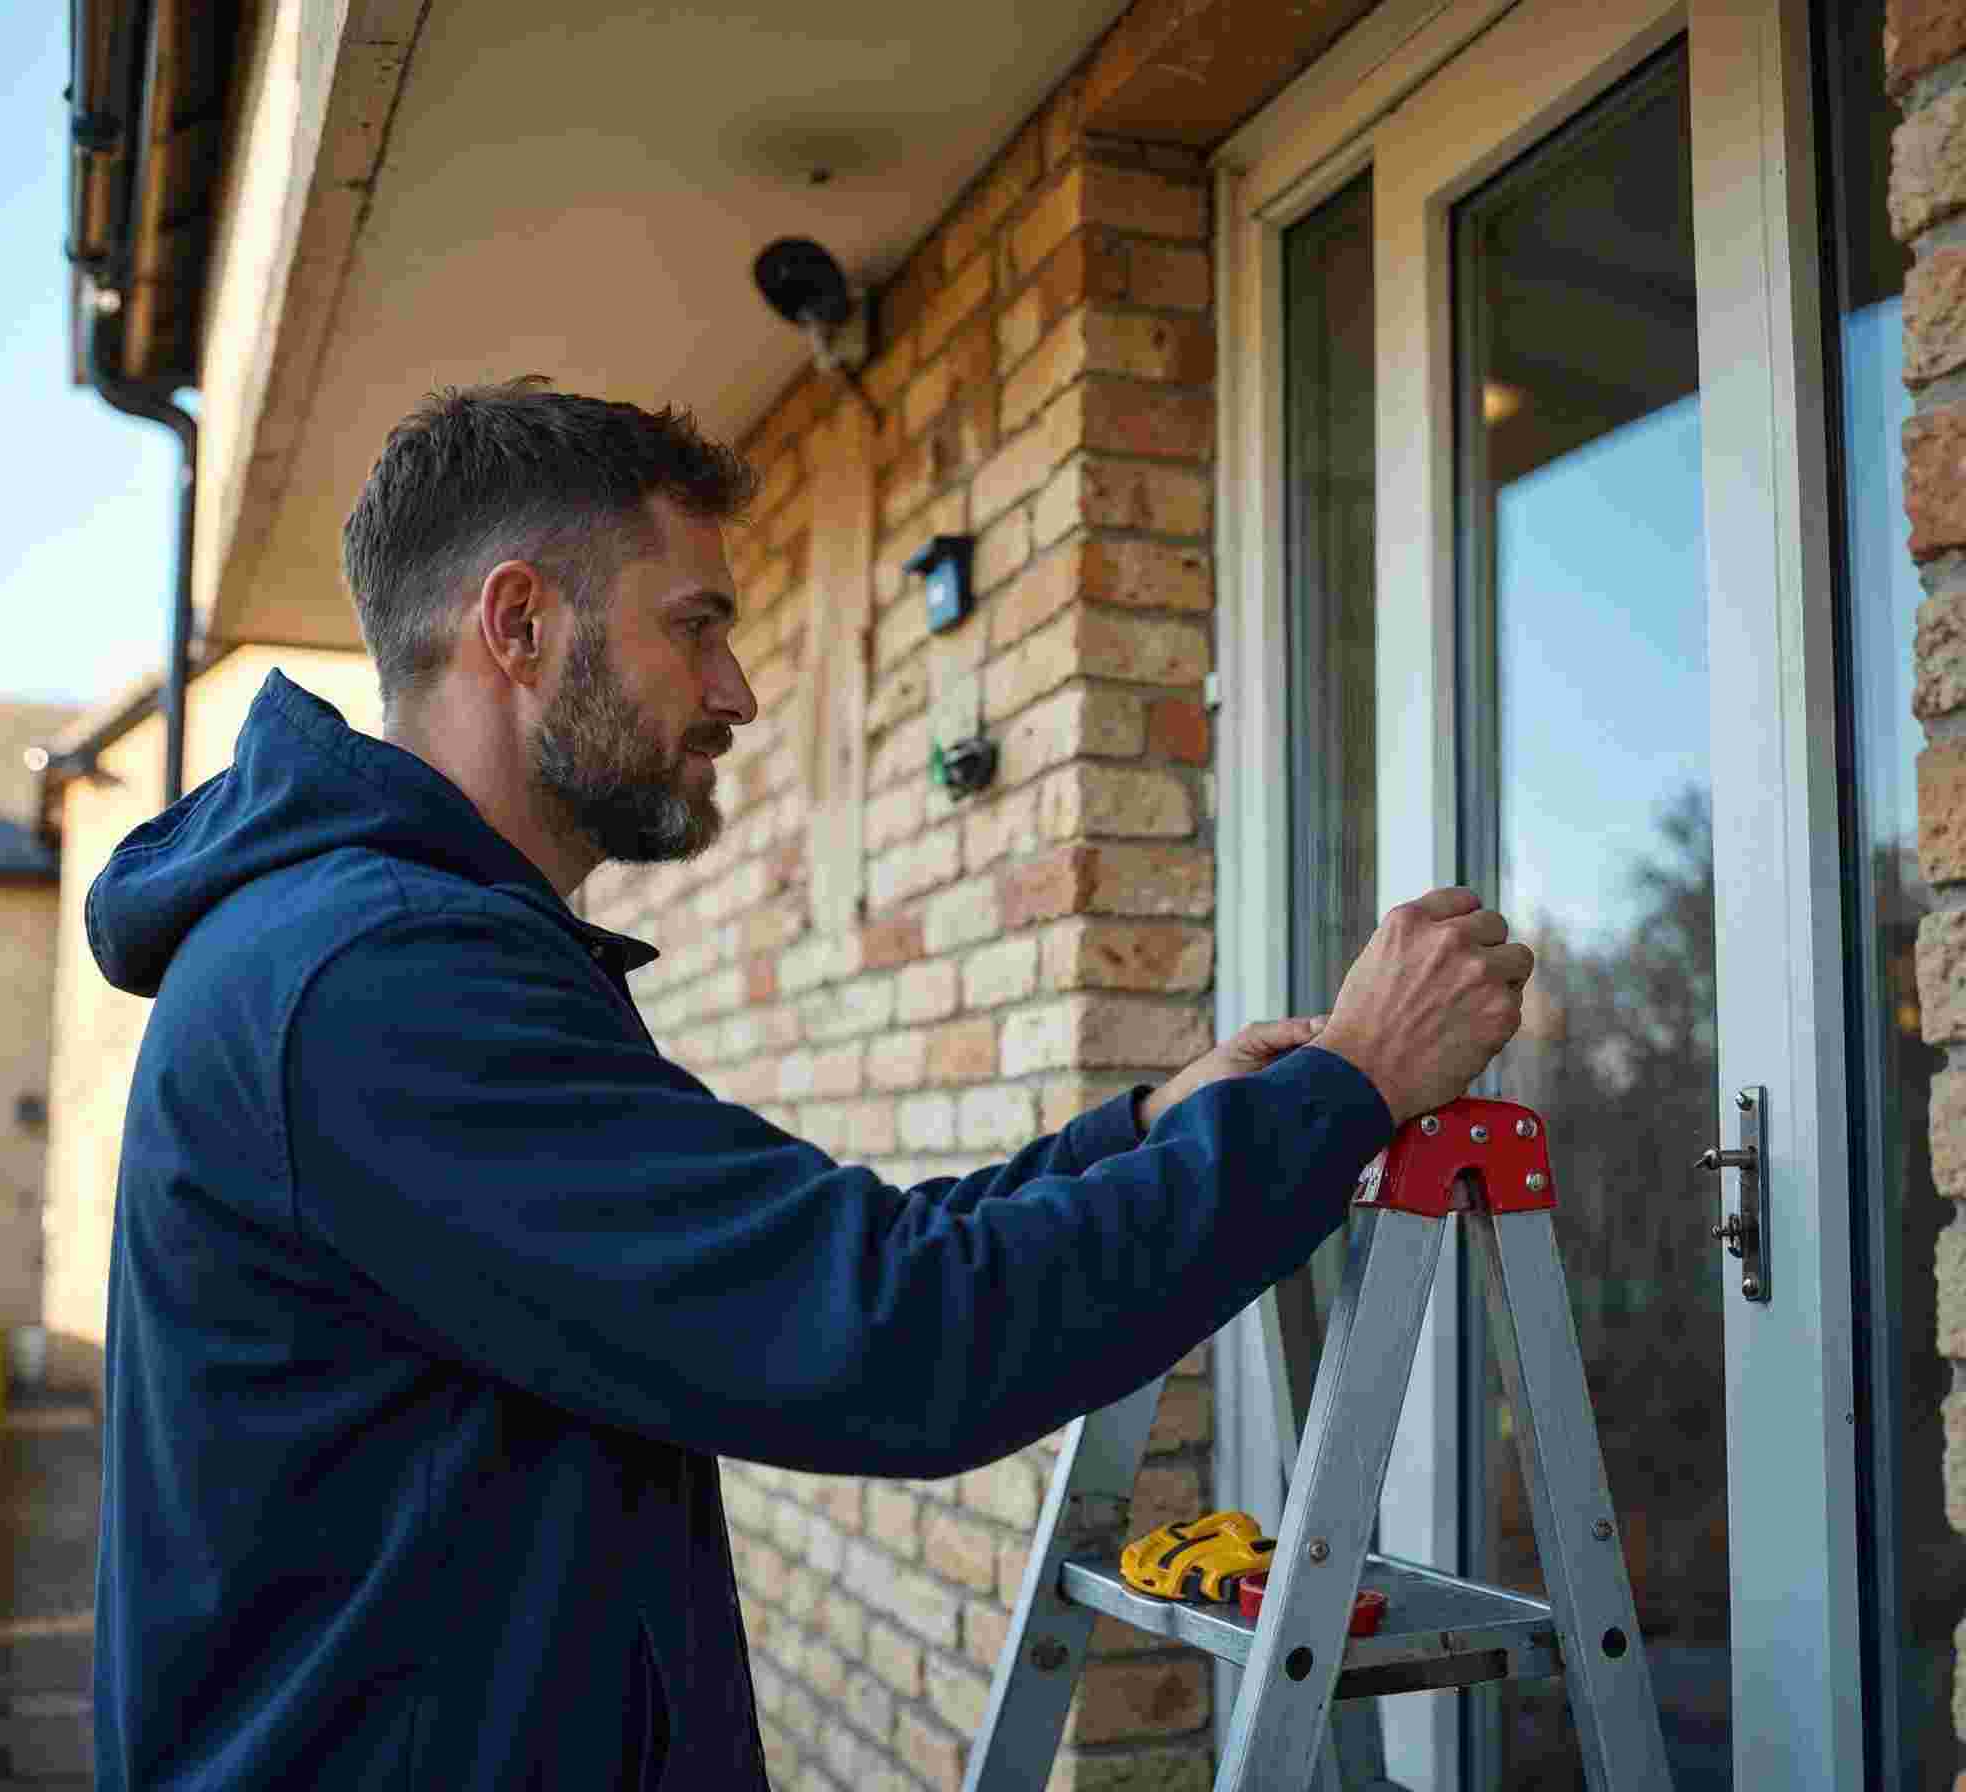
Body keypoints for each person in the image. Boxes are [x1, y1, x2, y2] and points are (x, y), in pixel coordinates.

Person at [88, 379, 1532, 1790]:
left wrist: (1155, 1129)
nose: (739, 692)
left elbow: (847, 1263)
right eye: (696, 626)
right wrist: (1343, 1090)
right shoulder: (385, 980)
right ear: (518, 625)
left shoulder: (369, 948)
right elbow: (901, 1336)